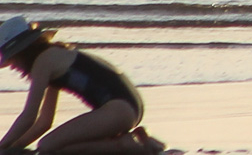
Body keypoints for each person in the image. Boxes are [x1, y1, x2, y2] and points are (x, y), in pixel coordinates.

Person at [0, 16, 163, 155]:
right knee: (51, 146)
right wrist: (15, 147)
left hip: (118, 109)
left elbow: (29, 116)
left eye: (12, 59)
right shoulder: (54, 56)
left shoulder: (43, 62)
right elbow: (44, 121)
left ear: (23, 52)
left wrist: (3, 146)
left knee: (48, 146)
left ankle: (126, 145)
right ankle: (134, 141)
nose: (12, 65)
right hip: (128, 106)